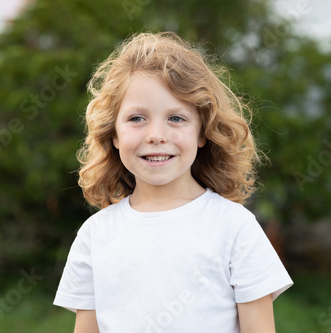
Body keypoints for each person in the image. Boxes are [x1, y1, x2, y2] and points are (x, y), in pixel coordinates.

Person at [54, 31, 293, 333]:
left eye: (176, 118)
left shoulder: (235, 228)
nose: (156, 134)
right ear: (113, 134)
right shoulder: (95, 235)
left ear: (202, 132)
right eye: (137, 118)